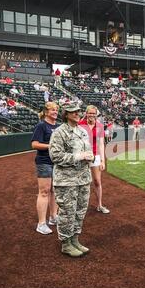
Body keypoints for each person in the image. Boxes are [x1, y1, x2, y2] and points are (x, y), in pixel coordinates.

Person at [49, 103, 94, 257]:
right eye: (72, 112)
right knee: (68, 212)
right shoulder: (59, 132)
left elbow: (87, 150)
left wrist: (90, 156)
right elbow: (55, 156)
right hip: (66, 180)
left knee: (80, 211)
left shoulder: (82, 131)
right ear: (66, 114)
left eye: (78, 111)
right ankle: (66, 243)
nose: (77, 113)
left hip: (83, 178)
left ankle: (75, 239)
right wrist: (78, 156)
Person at [31, 102, 60, 235]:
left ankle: (53, 217)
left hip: (57, 162)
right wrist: (50, 146)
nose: (55, 112)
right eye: (52, 110)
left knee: (55, 190)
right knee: (44, 192)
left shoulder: (58, 127)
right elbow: (34, 144)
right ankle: (41, 223)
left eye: (56, 110)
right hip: (44, 162)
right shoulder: (41, 125)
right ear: (46, 112)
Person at [79, 105, 110, 214]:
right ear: (86, 113)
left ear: (96, 114)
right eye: (90, 113)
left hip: (95, 156)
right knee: (81, 182)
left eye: (94, 113)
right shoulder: (79, 125)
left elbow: (101, 144)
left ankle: (100, 205)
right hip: (82, 156)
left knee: (97, 181)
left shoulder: (100, 126)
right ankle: (80, 207)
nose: (92, 115)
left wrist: (103, 160)